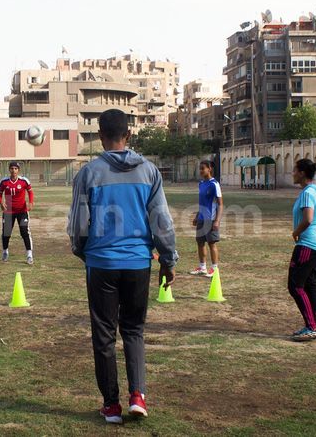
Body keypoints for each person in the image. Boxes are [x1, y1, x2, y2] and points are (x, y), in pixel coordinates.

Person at [68, 109, 178, 424]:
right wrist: (168, 259)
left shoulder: (88, 173)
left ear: (100, 136)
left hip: (102, 263)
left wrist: (83, 252)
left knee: (103, 334)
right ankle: (138, 395)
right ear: (128, 135)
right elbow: (162, 222)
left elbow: (78, 224)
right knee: (133, 330)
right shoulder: (149, 172)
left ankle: (111, 405)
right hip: (138, 264)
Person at [288, 158, 316, 342]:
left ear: (302, 173)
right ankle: (312, 325)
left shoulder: (307, 193)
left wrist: (295, 232)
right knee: (310, 286)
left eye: (295, 170)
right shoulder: (313, 190)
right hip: (315, 245)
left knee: (295, 286)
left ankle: (311, 327)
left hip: (307, 245)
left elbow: (308, 219)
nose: (293, 173)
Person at [189, 160, 223, 278]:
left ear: (209, 169)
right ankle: (202, 267)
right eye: (200, 168)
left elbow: (220, 204)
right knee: (200, 243)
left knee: (211, 244)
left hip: (211, 219)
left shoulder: (214, 184)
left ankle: (214, 269)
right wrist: (197, 216)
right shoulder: (201, 184)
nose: (201, 170)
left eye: (203, 168)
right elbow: (202, 203)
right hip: (201, 219)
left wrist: (217, 220)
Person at [0, 161, 34, 264]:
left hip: (22, 211)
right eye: (12, 168)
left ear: (18, 170)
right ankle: (5, 252)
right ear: (9, 170)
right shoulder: (4, 182)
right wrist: (1, 203)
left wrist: (31, 202)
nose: (14, 170)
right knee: (6, 233)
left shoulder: (24, 181)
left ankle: (29, 255)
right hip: (9, 211)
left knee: (24, 232)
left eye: (16, 169)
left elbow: (30, 192)